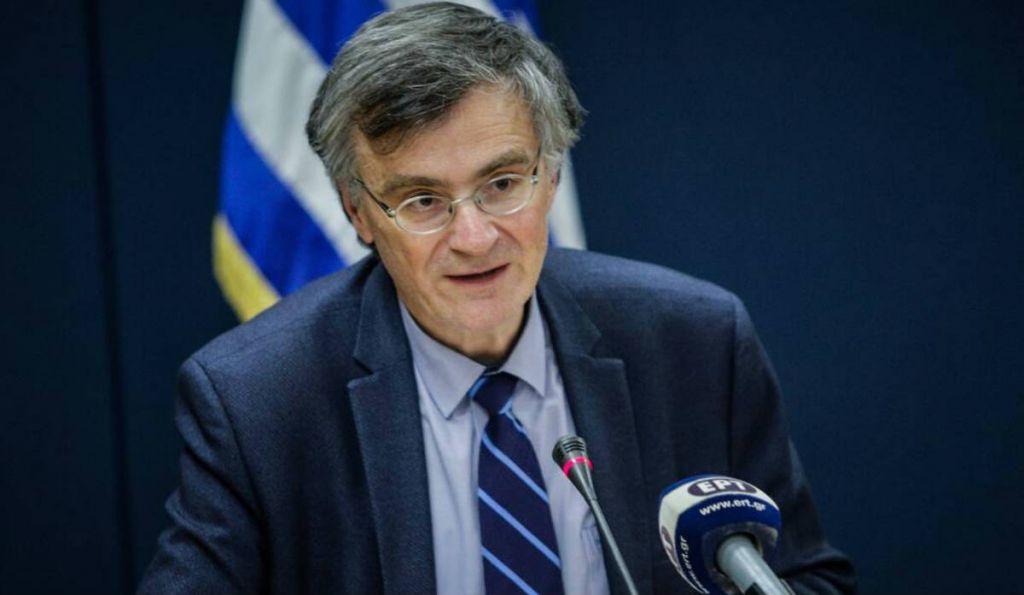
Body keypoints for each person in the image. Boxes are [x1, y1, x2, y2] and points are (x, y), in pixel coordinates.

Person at [140, 3, 855, 593]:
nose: (475, 237)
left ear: (551, 175)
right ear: (359, 214)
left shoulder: (694, 344)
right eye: (423, 200)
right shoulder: (258, 400)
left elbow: (801, 577)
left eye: (503, 183)